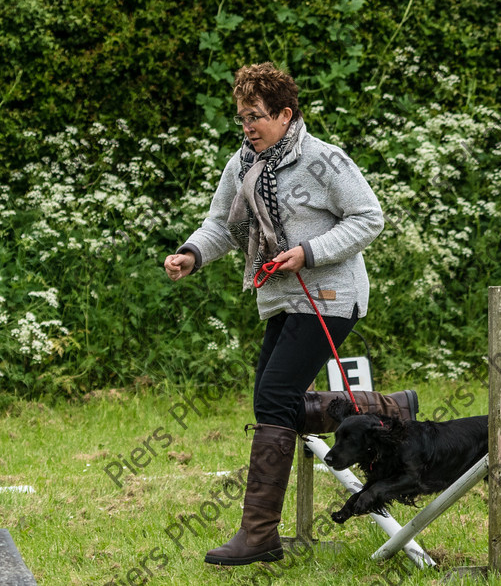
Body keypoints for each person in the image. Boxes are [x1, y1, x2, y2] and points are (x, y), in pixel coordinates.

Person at [163, 63, 417, 566]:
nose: (247, 127)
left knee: (274, 398)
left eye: (256, 116)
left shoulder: (326, 160)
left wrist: (309, 252)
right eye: (241, 118)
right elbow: (220, 225)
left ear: (284, 114)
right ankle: (390, 412)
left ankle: (259, 536)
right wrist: (191, 254)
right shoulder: (241, 166)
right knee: (272, 403)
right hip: (280, 298)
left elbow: (369, 218)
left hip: (330, 295)